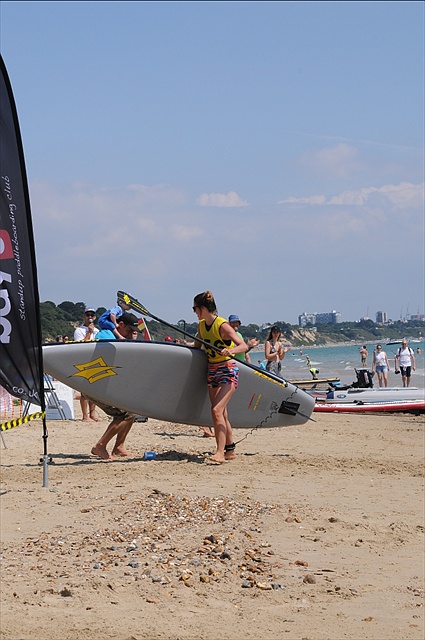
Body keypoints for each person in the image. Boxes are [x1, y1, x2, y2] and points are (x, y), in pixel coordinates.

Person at [192, 291, 247, 464]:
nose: (194, 312)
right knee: (222, 412)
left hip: (228, 370)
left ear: (202, 308)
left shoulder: (222, 325)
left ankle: (219, 453)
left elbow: (243, 346)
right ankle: (230, 450)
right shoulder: (201, 326)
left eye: (195, 308)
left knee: (216, 410)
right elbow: (196, 346)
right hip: (212, 371)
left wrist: (230, 350)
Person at [91, 312, 142, 459]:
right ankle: (100, 446)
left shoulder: (121, 338)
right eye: (129, 330)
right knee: (125, 414)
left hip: (106, 385)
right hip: (94, 384)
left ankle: (119, 447)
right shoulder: (106, 335)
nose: (130, 334)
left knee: (133, 410)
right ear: (120, 325)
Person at [74, 308, 100, 422]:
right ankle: (85, 416)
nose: (90, 317)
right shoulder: (79, 330)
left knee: (93, 391)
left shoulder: (97, 331)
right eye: (87, 315)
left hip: (95, 360)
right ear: (83, 316)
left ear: (94, 317)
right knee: (84, 391)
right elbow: (81, 346)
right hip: (84, 361)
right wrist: (89, 332)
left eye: (92, 315)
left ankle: (92, 414)